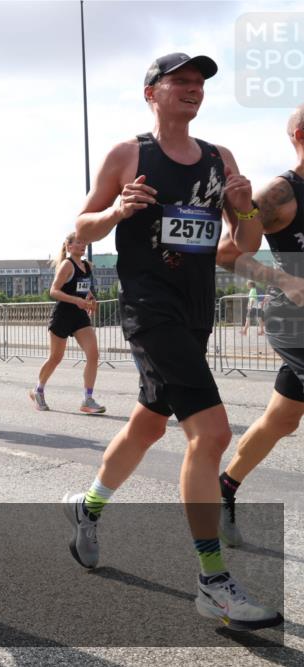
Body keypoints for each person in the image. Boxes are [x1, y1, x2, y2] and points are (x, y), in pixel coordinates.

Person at [62, 52, 281, 630]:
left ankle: (87, 508)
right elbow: (77, 231)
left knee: (148, 423)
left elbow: (248, 240)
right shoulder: (129, 154)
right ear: (150, 93)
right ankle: (212, 581)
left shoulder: (219, 158)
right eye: (179, 81)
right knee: (211, 432)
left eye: (199, 83)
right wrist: (115, 209)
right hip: (148, 309)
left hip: (195, 312)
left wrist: (246, 206)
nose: (191, 90)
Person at [216, 103, 304, 547]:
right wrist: (285, 279)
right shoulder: (280, 195)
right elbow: (229, 254)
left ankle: (224, 487)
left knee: (283, 418)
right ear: (301, 136)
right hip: (293, 320)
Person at [28, 231, 105, 414]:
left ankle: (87, 399)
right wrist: (75, 300)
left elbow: (84, 289)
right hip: (63, 314)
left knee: (93, 354)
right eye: (78, 242)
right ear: (69, 246)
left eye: (84, 242)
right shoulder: (66, 265)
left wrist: (91, 299)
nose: (82, 245)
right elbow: (53, 291)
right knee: (56, 358)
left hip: (79, 317)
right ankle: (37, 390)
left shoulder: (87, 265)